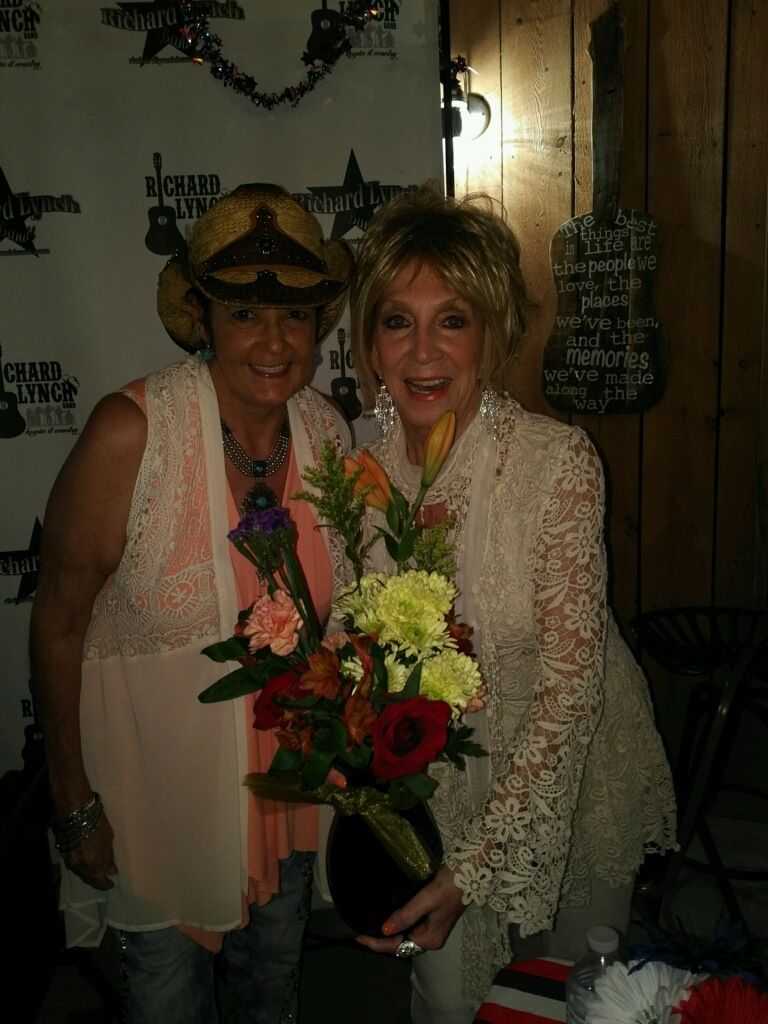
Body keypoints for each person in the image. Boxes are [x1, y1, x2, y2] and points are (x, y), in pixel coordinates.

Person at [345, 183, 677, 1023]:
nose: (424, 351)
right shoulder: (356, 477)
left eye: (452, 319)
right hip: (442, 789)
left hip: (575, 775)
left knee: (575, 998)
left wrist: (478, 868)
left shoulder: (556, 463)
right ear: (370, 344)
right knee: (449, 1000)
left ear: (489, 334)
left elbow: (571, 693)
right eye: (398, 321)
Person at [30, 183, 352, 1024]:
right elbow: (57, 625)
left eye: (295, 315)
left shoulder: (327, 432)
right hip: (157, 812)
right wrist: (73, 803)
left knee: (270, 1000)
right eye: (244, 314)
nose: (274, 341)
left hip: (285, 798)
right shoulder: (129, 433)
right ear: (201, 319)